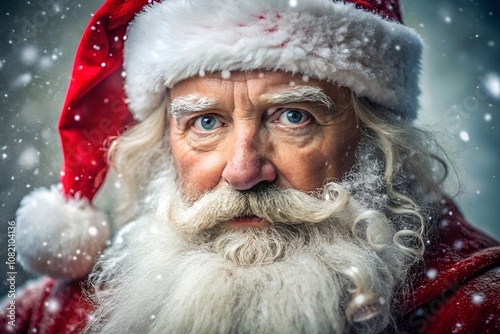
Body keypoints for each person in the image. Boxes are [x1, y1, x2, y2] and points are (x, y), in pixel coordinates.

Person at [1, 0, 499, 333]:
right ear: (165, 144)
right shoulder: (47, 319)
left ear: (374, 138)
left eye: (293, 116)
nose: (242, 171)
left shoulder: (480, 312)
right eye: (205, 122)